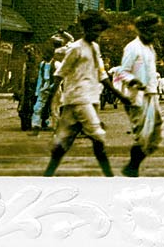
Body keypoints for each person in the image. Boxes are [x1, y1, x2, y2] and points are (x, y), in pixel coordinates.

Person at [43, 10, 126, 177]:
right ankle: (109, 176)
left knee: (64, 141)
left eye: (99, 31)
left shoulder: (95, 48)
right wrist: (48, 100)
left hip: (86, 98)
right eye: (93, 30)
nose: (97, 34)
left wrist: (121, 96)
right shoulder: (75, 48)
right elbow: (60, 74)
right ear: (85, 29)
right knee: (98, 137)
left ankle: (48, 174)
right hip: (80, 99)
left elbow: (102, 75)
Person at [111, 13, 164, 177]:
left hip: (152, 94)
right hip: (138, 97)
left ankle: (133, 165)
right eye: (151, 30)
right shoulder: (132, 48)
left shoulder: (150, 47)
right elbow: (122, 72)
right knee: (143, 135)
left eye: (156, 30)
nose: (154, 34)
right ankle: (132, 168)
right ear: (142, 29)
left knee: (157, 134)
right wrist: (133, 81)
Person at [32, 44, 57, 132]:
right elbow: (40, 78)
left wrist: (52, 88)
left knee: (54, 109)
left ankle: (56, 127)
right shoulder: (42, 64)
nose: (44, 55)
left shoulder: (56, 64)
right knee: (37, 107)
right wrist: (37, 91)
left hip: (55, 87)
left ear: (51, 54)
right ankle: (36, 125)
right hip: (44, 87)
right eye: (44, 54)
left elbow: (59, 79)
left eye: (46, 54)